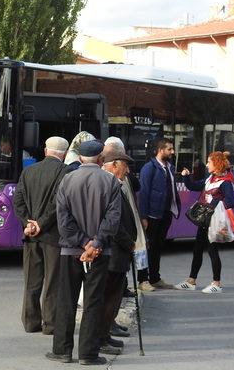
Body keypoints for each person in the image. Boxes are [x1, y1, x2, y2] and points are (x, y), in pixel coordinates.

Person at [46, 140, 121, 366]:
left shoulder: (67, 180)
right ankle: (88, 354)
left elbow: (63, 220)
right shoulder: (110, 181)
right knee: (93, 301)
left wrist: (82, 242)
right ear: (100, 159)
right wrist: (95, 243)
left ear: (79, 159)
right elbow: (113, 218)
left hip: (70, 250)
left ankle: (62, 350)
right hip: (100, 251)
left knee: (66, 299)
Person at [13, 136, 69, 335]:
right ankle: (50, 324)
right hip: (53, 236)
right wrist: (41, 224)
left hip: (31, 235)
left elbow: (17, 201)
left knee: (31, 281)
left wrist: (28, 223)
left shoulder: (28, 171)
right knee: (52, 281)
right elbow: (57, 204)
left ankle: (30, 322)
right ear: (64, 153)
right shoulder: (65, 172)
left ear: (46, 151)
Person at [175, 151, 234, 294]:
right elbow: (193, 186)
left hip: (214, 222)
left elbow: (231, 201)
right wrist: (186, 177)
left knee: (212, 251)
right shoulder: (210, 179)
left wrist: (213, 203)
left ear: (217, 164)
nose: (206, 164)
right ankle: (191, 281)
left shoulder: (225, 182)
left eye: (209, 162)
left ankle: (217, 283)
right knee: (197, 250)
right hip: (205, 220)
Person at [99, 147, 136, 355]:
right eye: (125, 166)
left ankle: (105, 335)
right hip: (113, 252)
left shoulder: (115, 184)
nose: (128, 171)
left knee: (113, 298)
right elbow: (113, 222)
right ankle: (101, 338)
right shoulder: (108, 185)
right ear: (113, 166)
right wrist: (128, 242)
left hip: (118, 252)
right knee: (107, 298)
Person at [138, 138, 181, 291]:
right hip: (151, 215)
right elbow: (143, 194)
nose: (172, 152)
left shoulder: (169, 167)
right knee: (146, 247)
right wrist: (143, 216)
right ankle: (142, 280)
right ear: (161, 150)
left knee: (157, 246)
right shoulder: (149, 168)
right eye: (169, 149)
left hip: (165, 213)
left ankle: (155, 278)